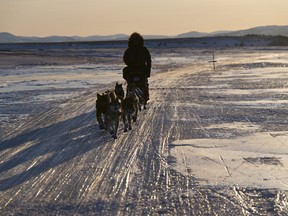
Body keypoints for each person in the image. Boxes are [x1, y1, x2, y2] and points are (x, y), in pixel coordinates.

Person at [123, 32, 151, 102]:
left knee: (143, 82)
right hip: (131, 68)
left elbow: (148, 60)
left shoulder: (144, 49)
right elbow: (125, 59)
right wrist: (130, 63)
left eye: (136, 40)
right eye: (134, 40)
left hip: (142, 68)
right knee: (125, 71)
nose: (135, 42)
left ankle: (145, 94)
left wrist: (148, 69)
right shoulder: (129, 50)